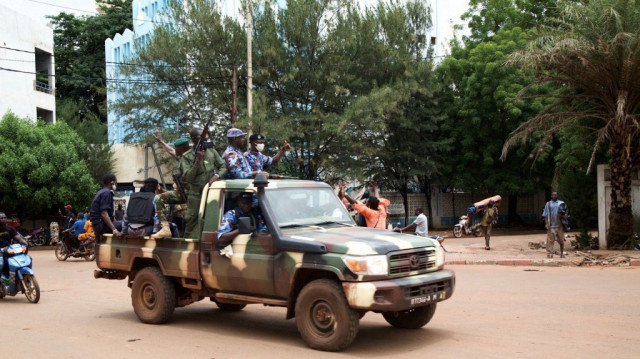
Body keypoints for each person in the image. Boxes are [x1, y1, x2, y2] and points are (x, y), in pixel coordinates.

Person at [179, 128, 227, 238]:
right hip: (196, 196)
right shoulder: (187, 156)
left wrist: (216, 176)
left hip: (211, 194)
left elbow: (223, 166)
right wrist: (197, 161)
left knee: (211, 221)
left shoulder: (211, 151)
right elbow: (188, 178)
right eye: (199, 137)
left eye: (203, 136)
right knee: (192, 221)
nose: (203, 138)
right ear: (193, 139)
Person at [152, 137, 190, 239]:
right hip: (181, 195)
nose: (175, 150)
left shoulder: (191, 160)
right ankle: (165, 228)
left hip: (193, 194)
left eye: (177, 148)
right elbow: (171, 151)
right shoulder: (181, 158)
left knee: (189, 221)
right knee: (158, 198)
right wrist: (161, 141)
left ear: (183, 148)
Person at [217, 192, 268, 257]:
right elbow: (221, 238)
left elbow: (263, 229)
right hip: (234, 249)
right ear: (238, 202)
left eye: (248, 203)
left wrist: (260, 233)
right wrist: (240, 230)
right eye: (244, 203)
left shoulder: (255, 214)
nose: (246, 205)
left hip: (253, 246)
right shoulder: (231, 215)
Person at [89, 174, 121, 239]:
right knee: (127, 225)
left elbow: (109, 214)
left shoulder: (101, 192)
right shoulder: (107, 193)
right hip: (101, 226)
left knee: (120, 223)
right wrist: (114, 229)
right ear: (112, 182)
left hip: (97, 225)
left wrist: (115, 222)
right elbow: (104, 214)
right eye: (116, 181)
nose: (117, 183)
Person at [0, 211, 28, 286]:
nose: (4, 219)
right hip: (0, 252)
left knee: (21, 261)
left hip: (9, 250)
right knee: (1, 264)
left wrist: (24, 243)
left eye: (5, 217)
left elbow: (18, 238)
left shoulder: (10, 229)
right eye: (1, 218)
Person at [542, 191, 568, 258]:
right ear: (551, 196)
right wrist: (546, 224)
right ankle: (549, 254)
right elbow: (545, 215)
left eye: (555, 195)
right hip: (551, 226)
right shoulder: (548, 204)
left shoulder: (561, 203)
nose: (554, 196)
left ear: (557, 196)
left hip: (560, 225)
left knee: (561, 240)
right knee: (550, 240)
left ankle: (562, 253)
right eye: (553, 195)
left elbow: (566, 213)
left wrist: (565, 216)